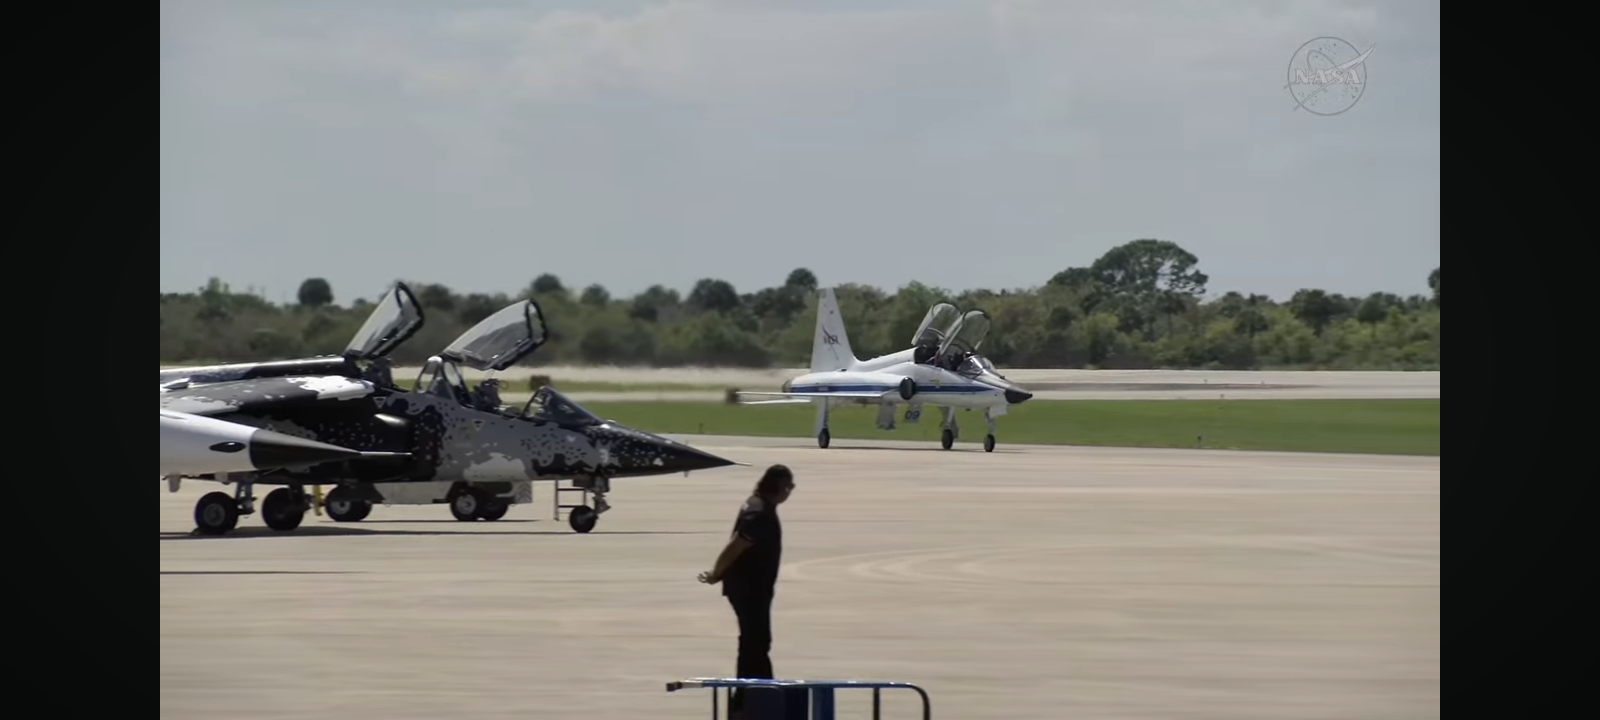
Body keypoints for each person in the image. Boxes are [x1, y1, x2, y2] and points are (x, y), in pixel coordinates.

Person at [699, 464, 796, 713]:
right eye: (790, 486)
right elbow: (736, 545)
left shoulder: (757, 505)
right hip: (749, 589)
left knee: (754, 641)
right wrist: (716, 573)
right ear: (780, 487)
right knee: (756, 642)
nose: (791, 491)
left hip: (751, 587)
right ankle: (754, 698)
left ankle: (752, 695)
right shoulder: (759, 513)